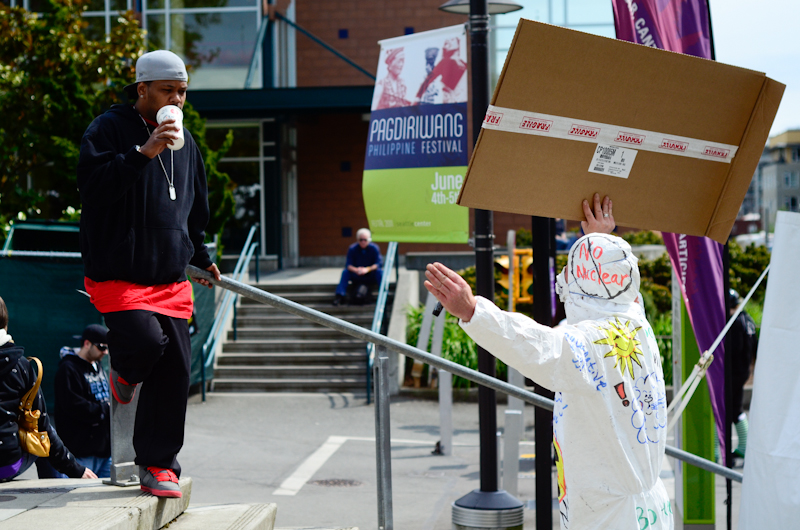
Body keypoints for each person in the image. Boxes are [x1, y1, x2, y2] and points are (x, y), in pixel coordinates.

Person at [425, 194, 673, 530]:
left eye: (570, 278)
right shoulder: (634, 321)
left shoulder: (588, 345)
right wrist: (599, 239)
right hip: (648, 509)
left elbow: (538, 345)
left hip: (609, 515)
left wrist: (473, 311)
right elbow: (610, 287)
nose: (564, 284)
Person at [77, 49, 221, 498]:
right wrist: (145, 151)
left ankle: (158, 465)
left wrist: (201, 252)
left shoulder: (188, 142)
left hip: (170, 276)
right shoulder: (107, 129)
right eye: (167, 91)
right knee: (143, 343)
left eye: (181, 92)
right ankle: (126, 371)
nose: (176, 101)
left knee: (177, 369)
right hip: (119, 273)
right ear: (142, 89)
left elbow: (196, 207)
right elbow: (94, 188)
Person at [0, 296, 98, 482]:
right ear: (5, 325)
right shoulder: (22, 366)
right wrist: (75, 469)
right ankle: (49, 490)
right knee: (40, 440)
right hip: (5, 464)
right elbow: (43, 426)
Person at [53, 324, 112, 478]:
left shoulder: (97, 365)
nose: (105, 352)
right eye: (101, 347)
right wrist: (104, 408)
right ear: (87, 344)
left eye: (107, 348)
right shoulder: (68, 369)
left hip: (104, 451)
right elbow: (73, 406)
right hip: (81, 452)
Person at [727, 288, 757, 458]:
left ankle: (742, 447)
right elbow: (755, 346)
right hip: (744, 370)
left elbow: (734, 349)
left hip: (733, 372)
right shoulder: (748, 320)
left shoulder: (735, 322)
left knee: (730, 410)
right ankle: (744, 446)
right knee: (735, 408)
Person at [333, 228, 383, 306]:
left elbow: (379, 263)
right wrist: (356, 270)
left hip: (370, 275)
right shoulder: (352, 248)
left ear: (369, 239)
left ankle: (384, 294)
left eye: (365, 240)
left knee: (380, 272)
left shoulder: (374, 248)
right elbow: (348, 265)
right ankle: (340, 296)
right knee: (345, 272)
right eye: (361, 240)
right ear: (357, 239)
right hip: (357, 274)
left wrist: (367, 269)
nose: (363, 242)